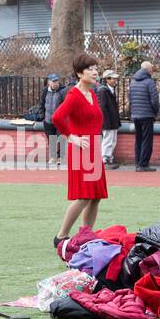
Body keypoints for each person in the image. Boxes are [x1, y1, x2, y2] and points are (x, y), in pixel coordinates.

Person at [51, 53, 108, 248]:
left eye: (95, 68)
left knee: (96, 196)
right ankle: (61, 236)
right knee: (84, 195)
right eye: (90, 68)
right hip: (80, 150)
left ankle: (86, 235)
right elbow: (57, 118)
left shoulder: (92, 93)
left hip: (93, 148)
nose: (95, 72)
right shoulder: (74, 95)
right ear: (79, 73)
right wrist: (71, 137)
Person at [129, 60, 159, 172]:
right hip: (147, 115)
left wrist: (133, 112)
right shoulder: (149, 82)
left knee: (138, 139)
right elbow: (154, 100)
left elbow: (130, 99)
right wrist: (155, 112)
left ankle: (137, 162)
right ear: (148, 69)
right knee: (147, 140)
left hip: (136, 115)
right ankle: (143, 164)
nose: (152, 70)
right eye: (151, 68)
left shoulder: (133, 82)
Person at [42, 74, 69, 169]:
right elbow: (42, 104)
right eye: (53, 81)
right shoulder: (45, 91)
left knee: (61, 138)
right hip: (48, 119)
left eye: (57, 81)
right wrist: (42, 115)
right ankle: (53, 157)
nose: (55, 83)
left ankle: (60, 157)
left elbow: (66, 105)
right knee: (51, 139)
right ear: (49, 82)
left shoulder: (63, 91)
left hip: (60, 120)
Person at [98, 69, 122, 170]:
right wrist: (106, 121)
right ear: (107, 79)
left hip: (112, 120)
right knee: (108, 139)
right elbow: (103, 107)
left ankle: (109, 157)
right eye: (113, 78)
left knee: (113, 139)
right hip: (108, 121)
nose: (115, 80)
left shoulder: (110, 89)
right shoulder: (103, 90)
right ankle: (104, 158)